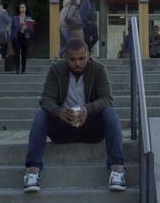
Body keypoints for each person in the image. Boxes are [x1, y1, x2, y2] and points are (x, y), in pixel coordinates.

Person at [23, 38, 126, 193]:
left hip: (91, 129)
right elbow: (46, 99)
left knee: (110, 113)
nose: (77, 63)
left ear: (88, 56)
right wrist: (58, 112)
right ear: (66, 58)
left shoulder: (98, 69)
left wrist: (87, 109)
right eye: (72, 59)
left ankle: (117, 170)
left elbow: (107, 99)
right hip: (63, 128)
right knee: (41, 115)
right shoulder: (56, 70)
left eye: (81, 59)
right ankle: (32, 172)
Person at [11, 2, 35, 74]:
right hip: (16, 37)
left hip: (25, 37)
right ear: (19, 8)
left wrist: (27, 27)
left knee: (24, 54)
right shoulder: (15, 18)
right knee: (17, 53)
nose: (23, 8)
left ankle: (23, 69)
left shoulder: (29, 18)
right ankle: (17, 68)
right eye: (21, 7)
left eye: (24, 7)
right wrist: (11, 39)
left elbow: (31, 32)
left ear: (26, 8)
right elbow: (12, 29)